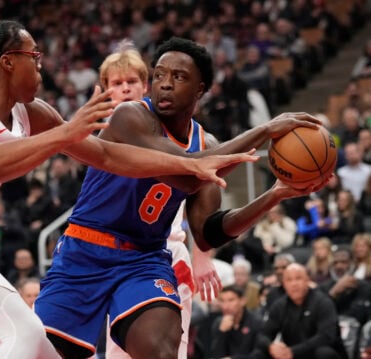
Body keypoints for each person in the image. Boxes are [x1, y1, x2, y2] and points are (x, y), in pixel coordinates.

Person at [0, 21, 253, 359]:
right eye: (33, 56)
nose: (41, 64)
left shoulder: (31, 112)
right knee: (26, 333)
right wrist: (63, 134)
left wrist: (190, 164)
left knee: (32, 350)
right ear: (7, 62)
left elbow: (105, 154)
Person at [35, 36, 326, 359]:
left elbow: (208, 232)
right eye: (159, 75)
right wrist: (264, 130)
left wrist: (275, 194)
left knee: (159, 351)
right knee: (44, 354)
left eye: (179, 77)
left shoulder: (208, 143)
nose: (165, 85)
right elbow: (188, 175)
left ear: (200, 90)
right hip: (86, 250)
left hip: (143, 260)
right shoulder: (130, 117)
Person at [96, 40, 222, 359]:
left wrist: (203, 257)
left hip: (163, 252)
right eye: (116, 84)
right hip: (115, 256)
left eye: (132, 82)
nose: (125, 89)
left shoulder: (179, 131)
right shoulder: (106, 133)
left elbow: (204, 205)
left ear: (145, 85)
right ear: (104, 91)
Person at [253, 263, 348, 359]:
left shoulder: (323, 302)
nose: (294, 284)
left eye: (298, 278)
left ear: (307, 280)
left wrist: (293, 351)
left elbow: (326, 337)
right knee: (259, 354)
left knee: (324, 353)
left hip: (315, 352)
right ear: (284, 284)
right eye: (289, 280)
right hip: (290, 353)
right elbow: (263, 335)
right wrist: (271, 346)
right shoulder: (279, 306)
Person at [210, 285, 263, 359]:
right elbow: (216, 355)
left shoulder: (256, 322)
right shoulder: (219, 323)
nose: (226, 306)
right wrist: (222, 333)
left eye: (231, 300)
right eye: (222, 301)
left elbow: (260, 355)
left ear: (243, 301)